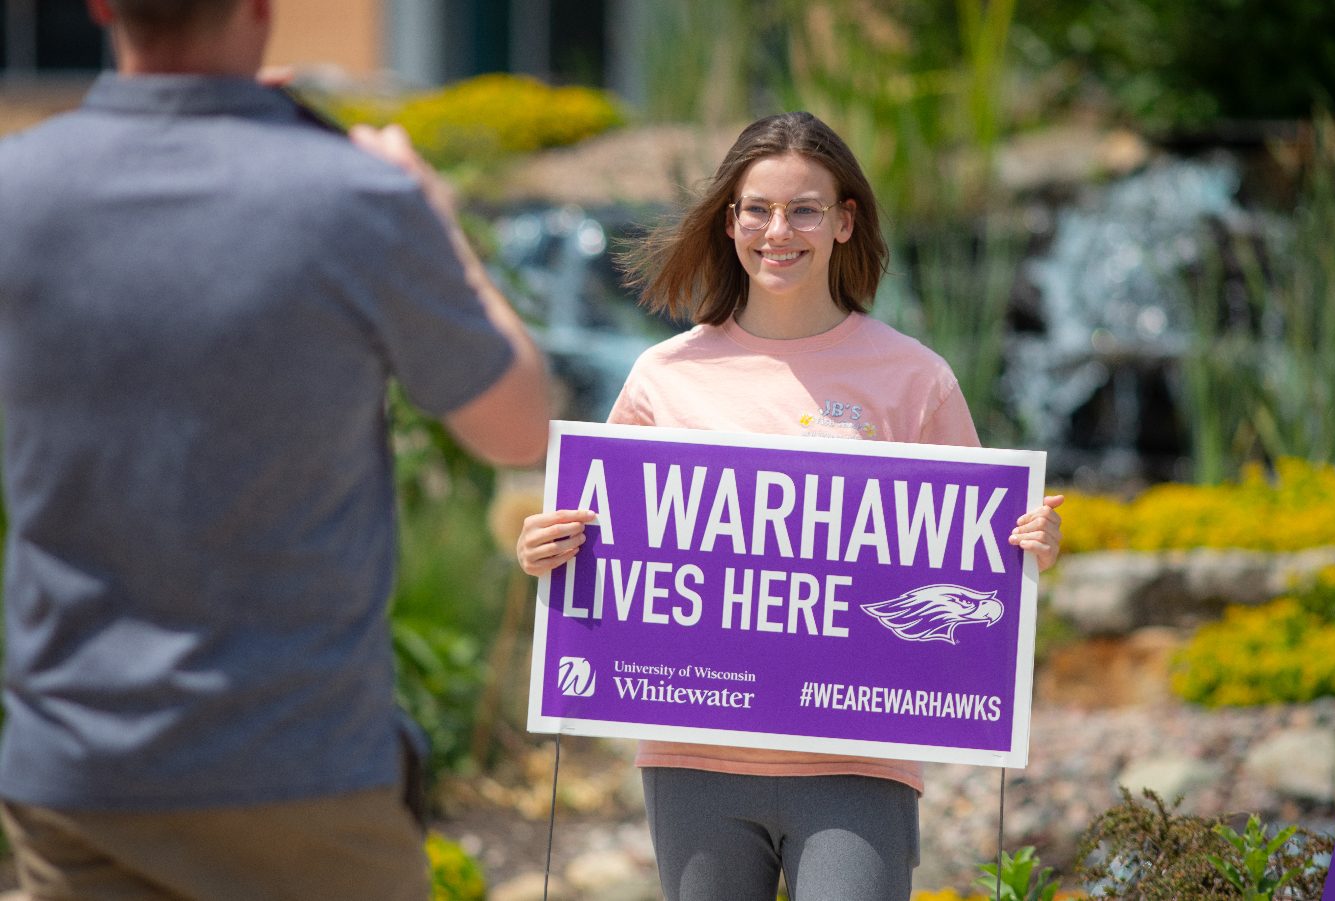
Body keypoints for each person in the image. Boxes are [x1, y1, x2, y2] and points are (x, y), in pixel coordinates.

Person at [0, 0, 550, 897]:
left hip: (75, 775)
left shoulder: (15, 185)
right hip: (301, 771)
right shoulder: (356, 199)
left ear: (100, 7)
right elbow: (517, 426)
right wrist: (432, 215)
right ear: (262, 9)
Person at [516, 112, 1063, 901]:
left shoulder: (916, 380)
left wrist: (1034, 544)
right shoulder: (662, 377)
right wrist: (548, 550)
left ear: (845, 221)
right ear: (730, 220)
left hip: (858, 760)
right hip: (695, 757)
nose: (780, 230)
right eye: (758, 209)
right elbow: (604, 547)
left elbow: (976, 559)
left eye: (804, 208)